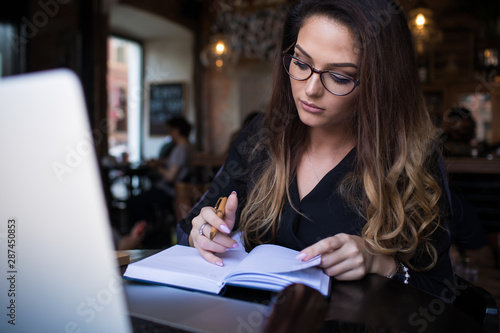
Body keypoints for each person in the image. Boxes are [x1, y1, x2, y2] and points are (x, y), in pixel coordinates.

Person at [178, 0, 455, 298]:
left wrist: (382, 264)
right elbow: (188, 229)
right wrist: (204, 233)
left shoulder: (410, 160)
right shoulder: (260, 136)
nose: (310, 89)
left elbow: (443, 295)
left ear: (381, 84)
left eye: (340, 77)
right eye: (300, 62)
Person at [126, 116, 194, 248]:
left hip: (170, 191)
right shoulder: (188, 147)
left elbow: (170, 176)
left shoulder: (180, 149)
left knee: (134, 202)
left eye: (170, 130)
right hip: (175, 190)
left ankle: (145, 233)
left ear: (177, 130)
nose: (169, 133)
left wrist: (156, 166)